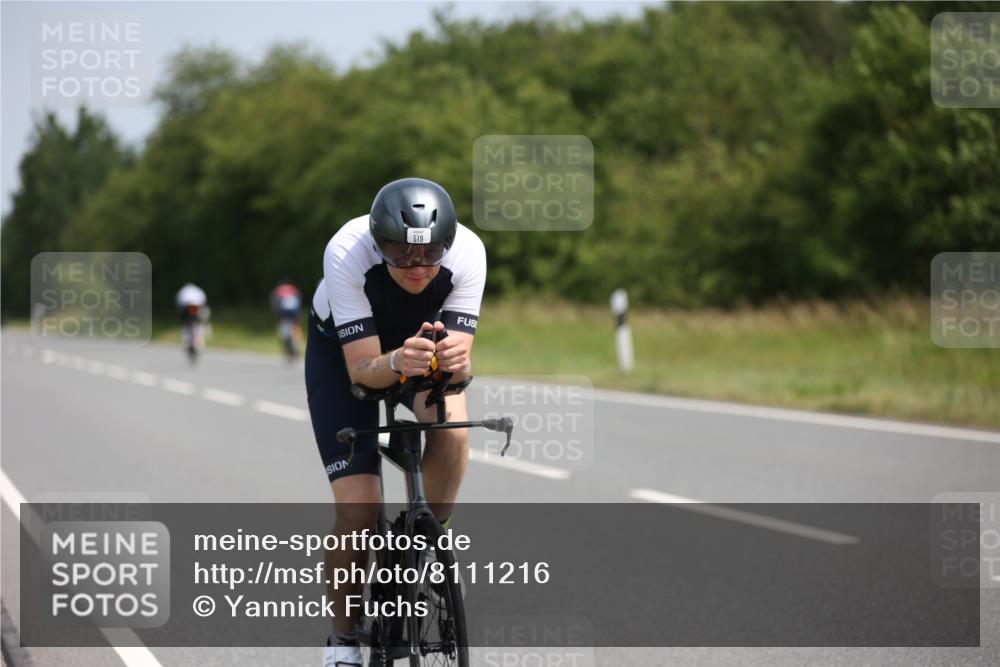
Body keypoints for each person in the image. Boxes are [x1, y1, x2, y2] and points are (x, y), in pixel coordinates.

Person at [306, 178, 485, 667]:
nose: (416, 267)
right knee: (359, 511)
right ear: (376, 239)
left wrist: (459, 365)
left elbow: (460, 364)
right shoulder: (346, 251)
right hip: (346, 353)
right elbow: (362, 372)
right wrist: (395, 363)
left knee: (453, 433)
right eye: (400, 254)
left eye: (429, 256)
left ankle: (427, 543)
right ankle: (343, 640)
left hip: (418, 346)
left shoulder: (469, 251)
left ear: (447, 243)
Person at [175, 283, 209, 362]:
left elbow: (178, 304)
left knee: (190, 325)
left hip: (187, 309)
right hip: (191, 309)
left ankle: (191, 340)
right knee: (195, 324)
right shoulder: (197, 292)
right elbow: (203, 302)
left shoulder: (184, 291)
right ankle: (195, 340)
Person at [270, 280, 303, 360]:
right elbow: (299, 298)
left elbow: (274, 304)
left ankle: (285, 350)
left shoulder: (277, 290)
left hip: (283, 311)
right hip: (294, 310)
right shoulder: (293, 289)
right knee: (295, 326)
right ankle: (298, 345)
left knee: (282, 327)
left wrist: (278, 316)